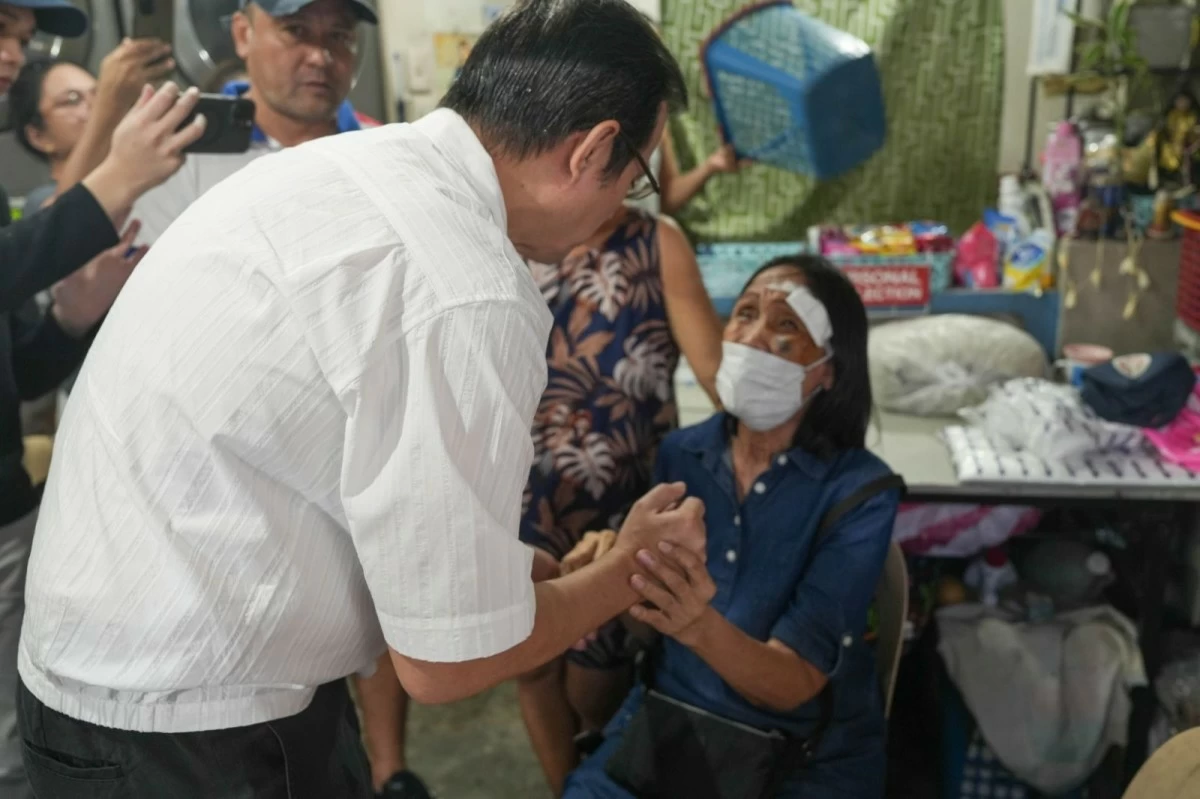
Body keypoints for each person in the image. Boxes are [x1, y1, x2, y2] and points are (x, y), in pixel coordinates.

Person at [16, 2, 705, 798]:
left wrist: (506, 568)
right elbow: (446, 664)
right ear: (589, 151)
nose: (625, 208)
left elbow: (329, 448)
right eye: (638, 176)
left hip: (99, 674)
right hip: (191, 724)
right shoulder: (466, 288)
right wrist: (624, 572)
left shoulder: (347, 167)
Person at [558, 254, 903, 799]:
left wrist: (696, 623)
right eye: (744, 313)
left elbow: (792, 685)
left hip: (798, 755)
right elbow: (651, 630)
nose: (754, 336)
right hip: (673, 725)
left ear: (829, 369)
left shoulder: (859, 494)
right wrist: (620, 575)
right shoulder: (681, 455)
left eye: (786, 324)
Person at [1, 8, 207, 792]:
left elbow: (17, 357)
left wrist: (68, 316)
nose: (14, 53)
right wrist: (115, 179)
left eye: (22, 34)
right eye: (2, 27)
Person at [513, 203, 722, 793]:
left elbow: (719, 373)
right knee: (527, 662)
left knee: (599, 673)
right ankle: (567, 790)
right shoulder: (508, 231)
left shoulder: (656, 243)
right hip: (518, 492)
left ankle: (603, 773)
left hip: (625, 501)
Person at [130, 0, 380, 245]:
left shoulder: (379, 152)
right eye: (295, 30)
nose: (319, 57)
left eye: (338, 36)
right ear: (242, 34)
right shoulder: (181, 153)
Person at [9, 43, 175, 212]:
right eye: (73, 100)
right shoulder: (41, 202)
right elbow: (59, 222)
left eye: (98, 93)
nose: (95, 106)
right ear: (38, 136)